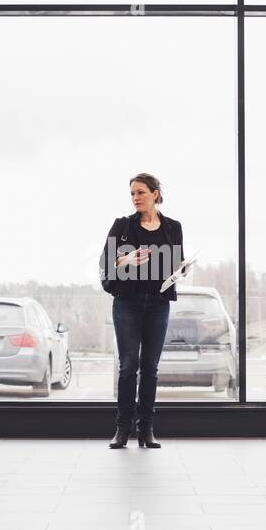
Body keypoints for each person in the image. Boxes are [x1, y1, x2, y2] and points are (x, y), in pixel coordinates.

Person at [98, 172, 184, 448]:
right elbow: (106, 262)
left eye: (141, 193)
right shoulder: (122, 226)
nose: (135, 198)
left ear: (155, 193)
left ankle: (146, 430)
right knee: (128, 366)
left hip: (158, 303)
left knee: (151, 368)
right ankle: (123, 429)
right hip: (127, 302)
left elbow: (176, 262)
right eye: (133, 194)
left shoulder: (173, 227)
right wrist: (127, 258)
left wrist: (182, 269)